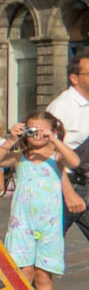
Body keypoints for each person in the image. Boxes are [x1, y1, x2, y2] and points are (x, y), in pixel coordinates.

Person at [0, 111, 82, 290]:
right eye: (32, 130)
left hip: (49, 226)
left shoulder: (56, 157)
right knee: (25, 273)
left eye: (43, 131)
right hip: (23, 225)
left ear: (53, 131)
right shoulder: (19, 157)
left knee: (44, 274)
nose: (37, 135)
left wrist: (54, 141)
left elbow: (75, 162)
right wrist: (10, 139)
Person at [44, 52, 89, 244]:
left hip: (86, 184)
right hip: (66, 187)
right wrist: (68, 192)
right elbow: (48, 154)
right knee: (47, 245)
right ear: (74, 78)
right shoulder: (61, 107)